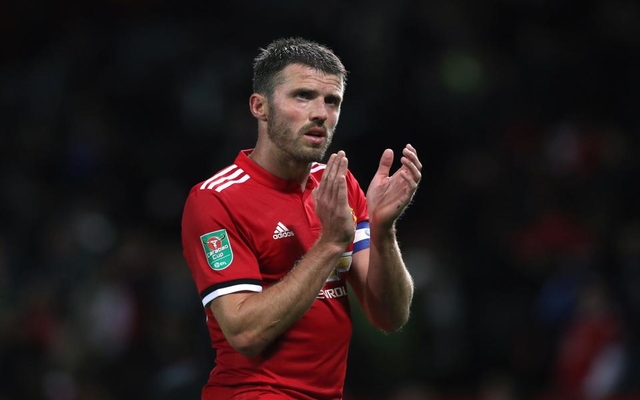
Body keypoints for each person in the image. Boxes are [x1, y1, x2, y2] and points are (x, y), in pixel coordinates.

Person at [181, 37, 422, 400]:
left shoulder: (338, 185)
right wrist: (329, 245)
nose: (321, 113)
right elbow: (244, 334)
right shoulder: (216, 199)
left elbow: (390, 317)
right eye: (303, 96)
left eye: (332, 101)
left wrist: (383, 230)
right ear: (260, 107)